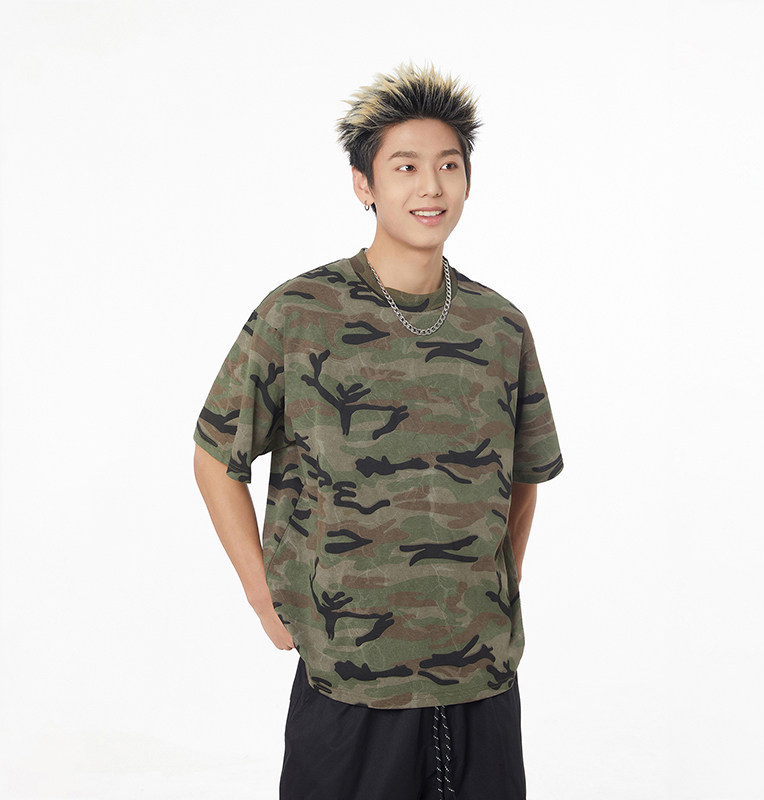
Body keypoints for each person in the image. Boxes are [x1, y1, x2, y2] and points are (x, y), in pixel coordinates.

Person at [193, 60, 564, 800]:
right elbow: (215, 457)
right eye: (406, 167)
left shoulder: (499, 325)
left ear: (468, 180)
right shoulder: (300, 313)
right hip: (349, 677)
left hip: (481, 676)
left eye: (448, 166)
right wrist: (262, 596)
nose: (431, 187)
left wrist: (494, 584)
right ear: (364, 184)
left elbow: (525, 472)